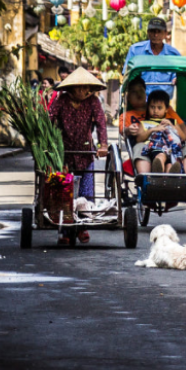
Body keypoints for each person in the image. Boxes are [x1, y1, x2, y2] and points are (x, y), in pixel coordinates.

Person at [48, 67, 109, 244]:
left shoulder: (93, 102)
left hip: (85, 152)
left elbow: (101, 123)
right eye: (78, 87)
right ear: (71, 88)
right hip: (64, 153)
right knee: (65, 192)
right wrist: (47, 142)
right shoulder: (61, 100)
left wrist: (103, 145)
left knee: (86, 192)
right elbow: (50, 119)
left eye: (85, 87)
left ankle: (83, 226)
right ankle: (65, 231)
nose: (82, 91)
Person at [120, 77, 186, 176]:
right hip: (149, 146)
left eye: (140, 90)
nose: (155, 111)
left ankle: (185, 176)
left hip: (173, 145)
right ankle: (147, 177)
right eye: (133, 92)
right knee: (149, 150)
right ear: (127, 96)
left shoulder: (167, 111)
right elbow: (126, 132)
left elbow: (182, 129)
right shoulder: (129, 117)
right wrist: (129, 130)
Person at [123, 17, 181, 95]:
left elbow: (177, 76)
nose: (156, 35)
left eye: (159, 32)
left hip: (163, 100)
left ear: (165, 34)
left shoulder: (174, 54)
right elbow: (126, 75)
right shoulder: (135, 50)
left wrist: (175, 79)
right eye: (153, 31)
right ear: (148, 32)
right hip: (140, 99)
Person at [140, 90, 186, 173]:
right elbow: (139, 138)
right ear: (148, 107)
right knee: (161, 156)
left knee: (170, 165)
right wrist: (152, 129)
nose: (155, 111)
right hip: (157, 147)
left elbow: (183, 137)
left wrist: (172, 126)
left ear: (166, 109)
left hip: (171, 149)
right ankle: (158, 171)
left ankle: (169, 176)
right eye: (152, 107)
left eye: (159, 108)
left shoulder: (172, 121)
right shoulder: (145, 123)